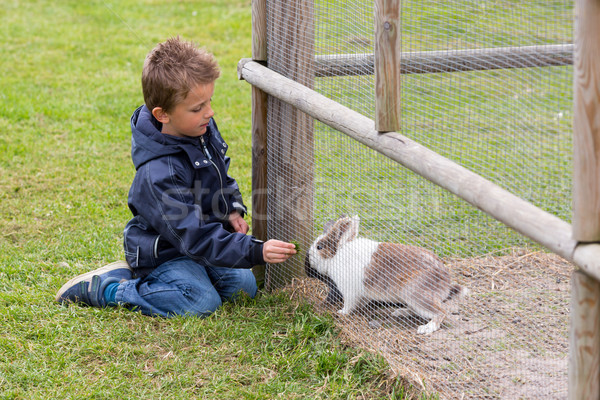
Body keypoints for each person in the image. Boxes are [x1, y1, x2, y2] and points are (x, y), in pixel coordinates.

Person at [55, 37, 296, 317]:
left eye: (209, 102)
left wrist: (231, 209)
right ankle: (109, 288)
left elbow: (220, 171)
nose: (210, 112)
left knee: (244, 287)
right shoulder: (160, 172)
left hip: (200, 242)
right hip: (167, 252)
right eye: (198, 108)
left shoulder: (199, 128)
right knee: (200, 303)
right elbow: (193, 237)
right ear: (163, 114)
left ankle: (192, 275)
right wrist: (256, 250)